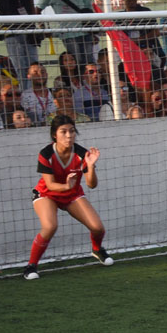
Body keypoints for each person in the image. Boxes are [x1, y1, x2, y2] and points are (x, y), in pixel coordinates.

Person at [22, 115, 112, 280]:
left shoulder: (81, 153)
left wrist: (90, 167)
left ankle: (97, 249)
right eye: (63, 132)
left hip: (72, 194)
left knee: (98, 228)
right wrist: (66, 186)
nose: (69, 136)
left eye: (72, 131)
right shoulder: (46, 153)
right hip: (46, 194)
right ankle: (31, 266)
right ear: (55, 135)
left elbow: (91, 185)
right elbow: (49, 185)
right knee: (50, 227)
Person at [36, 0, 96, 64]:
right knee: (76, 63)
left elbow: (89, 10)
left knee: (90, 63)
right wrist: (42, 27)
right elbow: (37, 10)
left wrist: (93, 31)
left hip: (85, 32)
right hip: (68, 34)